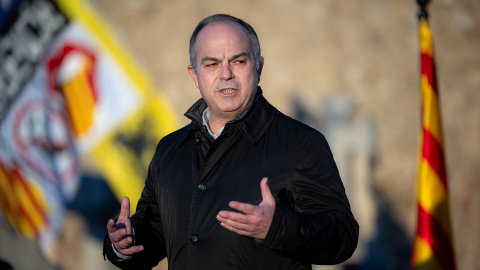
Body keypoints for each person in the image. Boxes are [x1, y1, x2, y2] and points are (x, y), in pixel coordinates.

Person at [103, 14, 359, 270]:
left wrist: (277, 227)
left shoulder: (300, 143)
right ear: (195, 75)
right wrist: (124, 243)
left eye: (238, 61)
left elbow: (343, 236)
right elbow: (154, 237)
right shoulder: (169, 150)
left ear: (258, 67)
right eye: (212, 64)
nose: (226, 74)